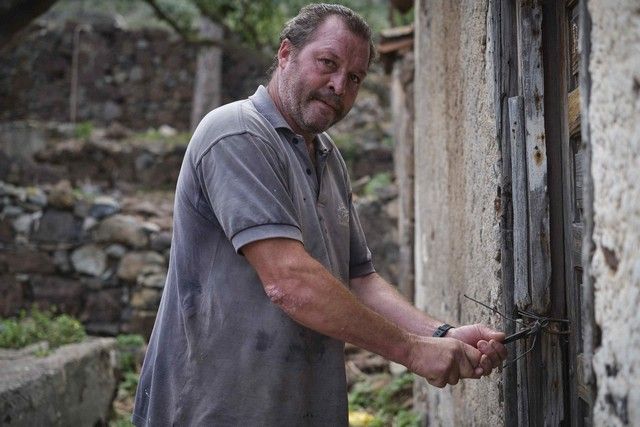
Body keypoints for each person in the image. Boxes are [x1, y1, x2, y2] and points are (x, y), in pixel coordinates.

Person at [133, 4, 507, 426]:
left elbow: (359, 280)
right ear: (286, 54)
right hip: (214, 408)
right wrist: (413, 351)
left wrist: (439, 334)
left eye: (354, 78)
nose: (338, 85)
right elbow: (289, 282)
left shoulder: (327, 157)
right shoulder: (236, 134)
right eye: (327, 63)